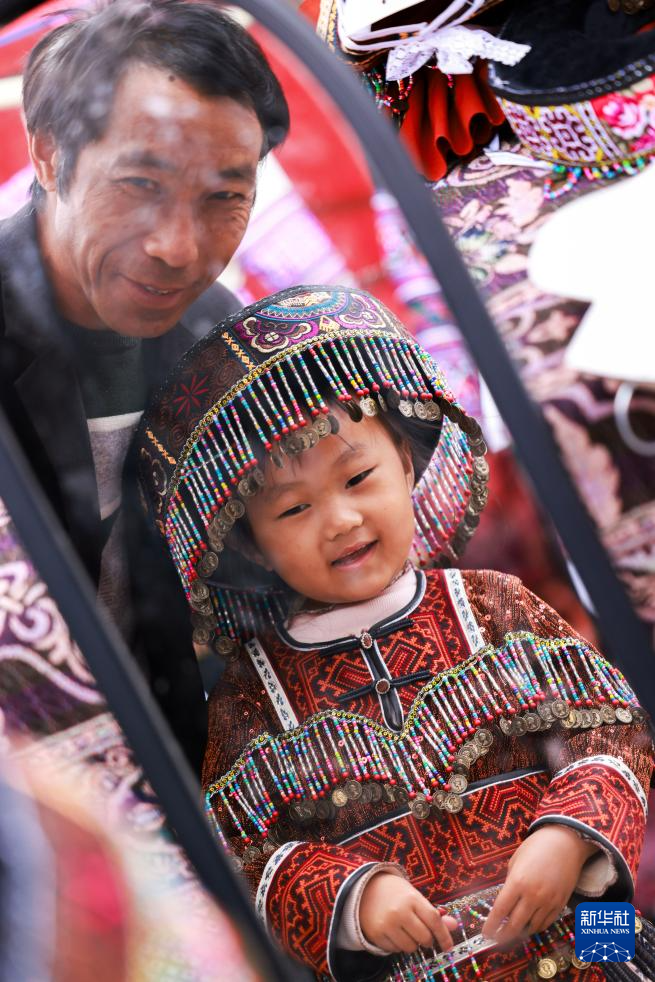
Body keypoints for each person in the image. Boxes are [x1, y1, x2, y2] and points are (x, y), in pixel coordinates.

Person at [136, 285, 653, 981]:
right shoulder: (250, 696)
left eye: (358, 477)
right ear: (253, 545)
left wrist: (569, 835)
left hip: (587, 936)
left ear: (405, 465)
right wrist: (353, 900)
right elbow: (242, 853)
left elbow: (613, 728)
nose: (341, 520)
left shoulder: (495, 602)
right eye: (293, 510)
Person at [0, 0, 289, 771]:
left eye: (224, 197)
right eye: (139, 184)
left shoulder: (224, 341)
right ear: (49, 155)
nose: (177, 247)